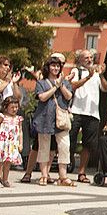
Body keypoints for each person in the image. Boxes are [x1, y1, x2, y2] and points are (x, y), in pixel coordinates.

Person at [68, 48, 107, 183]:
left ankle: (82, 172)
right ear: (80, 60)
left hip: (92, 113)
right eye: (86, 58)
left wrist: (101, 75)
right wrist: (88, 77)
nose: (90, 60)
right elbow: (72, 86)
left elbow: (106, 88)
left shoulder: (97, 74)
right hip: (76, 111)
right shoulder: (76, 71)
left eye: (91, 57)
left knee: (88, 144)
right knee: (70, 140)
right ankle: (68, 164)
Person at [33, 56, 74, 186]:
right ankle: (44, 175)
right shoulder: (42, 82)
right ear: (48, 67)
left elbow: (69, 96)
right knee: (44, 147)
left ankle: (63, 176)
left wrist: (60, 85)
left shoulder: (65, 82)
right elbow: (42, 97)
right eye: (53, 66)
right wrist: (54, 87)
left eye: (57, 66)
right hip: (44, 118)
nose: (55, 68)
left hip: (61, 119)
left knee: (64, 146)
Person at [0, 96, 24, 187]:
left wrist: (20, 143)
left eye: (16, 107)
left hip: (11, 143)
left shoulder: (18, 119)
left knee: (8, 161)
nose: (14, 109)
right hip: (1, 142)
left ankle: (5, 179)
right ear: (6, 107)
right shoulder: (1, 117)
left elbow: (20, 131)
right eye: (12, 107)